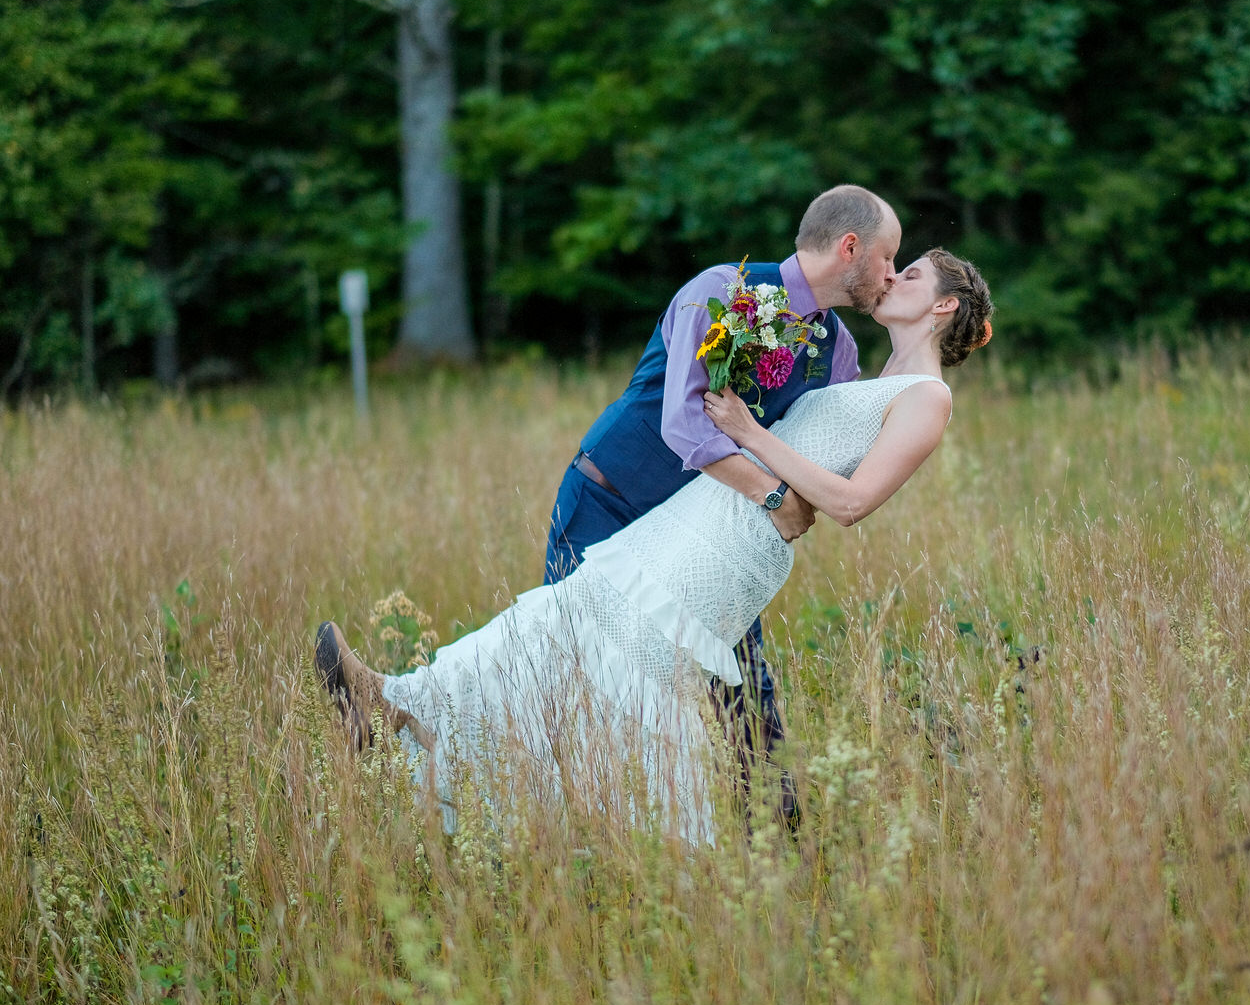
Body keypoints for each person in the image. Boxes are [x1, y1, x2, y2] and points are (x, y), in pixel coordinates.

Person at [315, 249, 993, 843]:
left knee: (632, 675)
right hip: (704, 511)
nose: (891, 277)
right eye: (892, 263)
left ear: (942, 305)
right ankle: (401, 703)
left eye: (909, 273)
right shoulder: (858, 371)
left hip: (739, 540)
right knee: (568, 617)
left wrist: (749, 433)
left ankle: (655, 837)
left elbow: (848, 503)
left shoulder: (928, 397)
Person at [542, 184, 900, 822]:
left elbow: (826, 449)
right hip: (612, 502)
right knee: (571, 672)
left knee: (746, 700)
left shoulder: (838, 349)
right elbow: (685, 425)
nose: (891, 275)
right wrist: (773, 495)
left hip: (707, 538)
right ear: (850, 247)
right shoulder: (720, 290)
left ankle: (778, 854)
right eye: (887, 259)